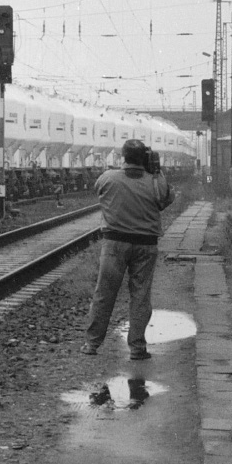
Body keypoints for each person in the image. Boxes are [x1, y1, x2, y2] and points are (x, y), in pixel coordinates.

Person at [81, 139, 175, 360]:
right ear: (144, 158)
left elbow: (99, 192)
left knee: (104, 293)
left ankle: (91, 344)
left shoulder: (107, 178)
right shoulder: (155, 181)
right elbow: (166, 199)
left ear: (123, 156)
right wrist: (157, 171)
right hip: (146, 245)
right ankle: (137, 348)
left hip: (114, 244)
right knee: (140, 296)